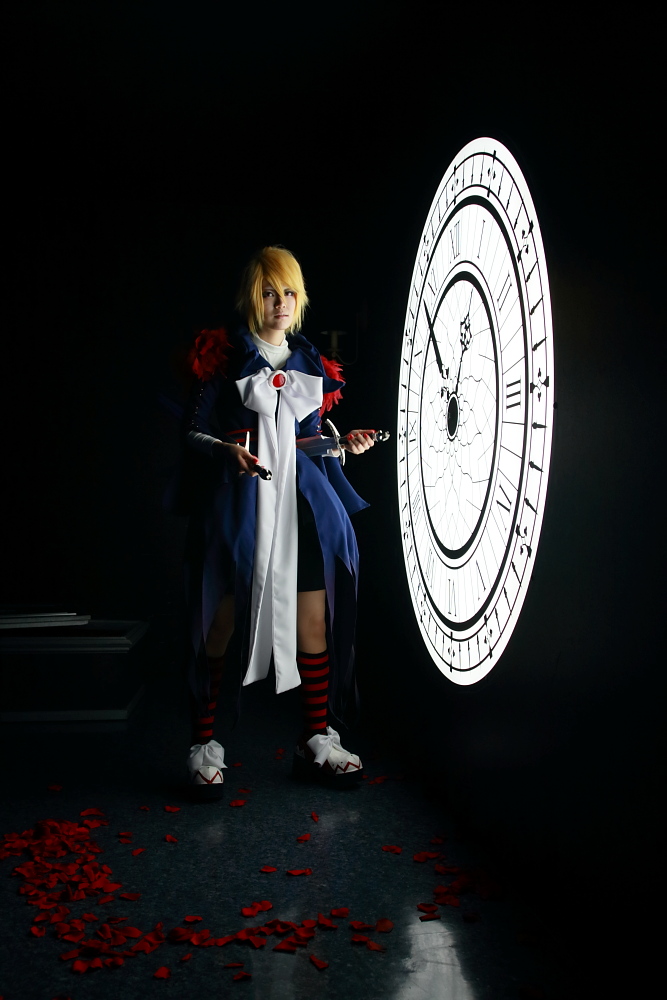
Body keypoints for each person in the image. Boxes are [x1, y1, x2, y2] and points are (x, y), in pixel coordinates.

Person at [176, 246, 374, 797]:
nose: (280, 302)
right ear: (251, 297)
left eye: (288, 292)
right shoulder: (223, 355)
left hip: (300, 504)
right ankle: (202, 744)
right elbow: (190, 430)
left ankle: (316, 740)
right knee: (220, 622)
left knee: (314, 622)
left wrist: (343, 444)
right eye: (269, 292)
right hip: (241, 503)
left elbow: (307, 441)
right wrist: (225, 450)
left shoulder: (310, 360)